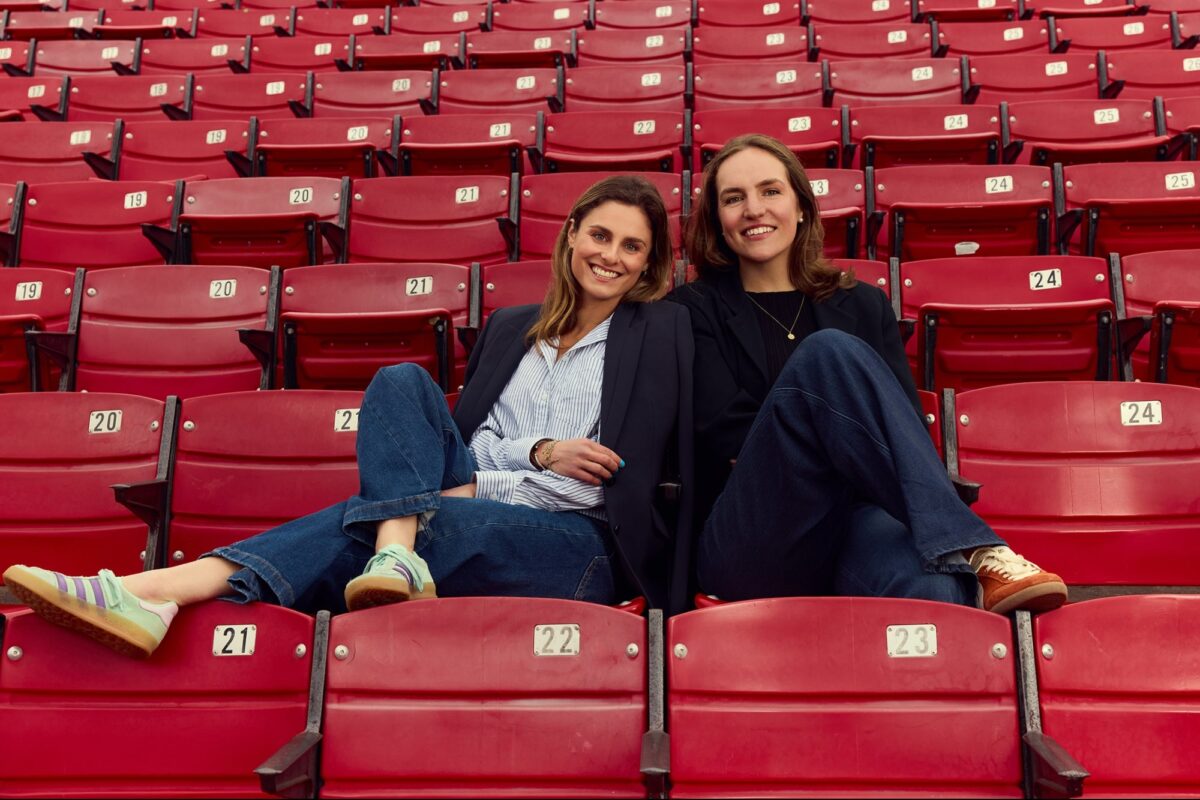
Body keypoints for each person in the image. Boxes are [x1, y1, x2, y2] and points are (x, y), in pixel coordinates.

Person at [5, 175, 694, 658]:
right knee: (400, 380)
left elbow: (599, 478)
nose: (611, 255)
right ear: (571, 235)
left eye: (632, 248)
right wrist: (536, 452)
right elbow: (471, 443)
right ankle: (397, 554)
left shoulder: (657, 334)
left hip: (576, 545)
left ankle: (150, 592)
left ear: (647, 265)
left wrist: (468, 487)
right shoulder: (512, 327)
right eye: (599, 235)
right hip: (475, 507)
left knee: (393, 517)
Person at [667, 133, 1067, 614]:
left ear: (800, 207)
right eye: (734, 199)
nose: (754, 209)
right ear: (718, 223)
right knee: (826, 355)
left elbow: (903, 429)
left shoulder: (862, 304)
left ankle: (957, 590)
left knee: (937, 586)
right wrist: (840, 439)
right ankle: (974, 545)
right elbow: (724, 435)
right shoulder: (691, 311)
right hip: (755, 535)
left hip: (859, 520)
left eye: (770, 191)